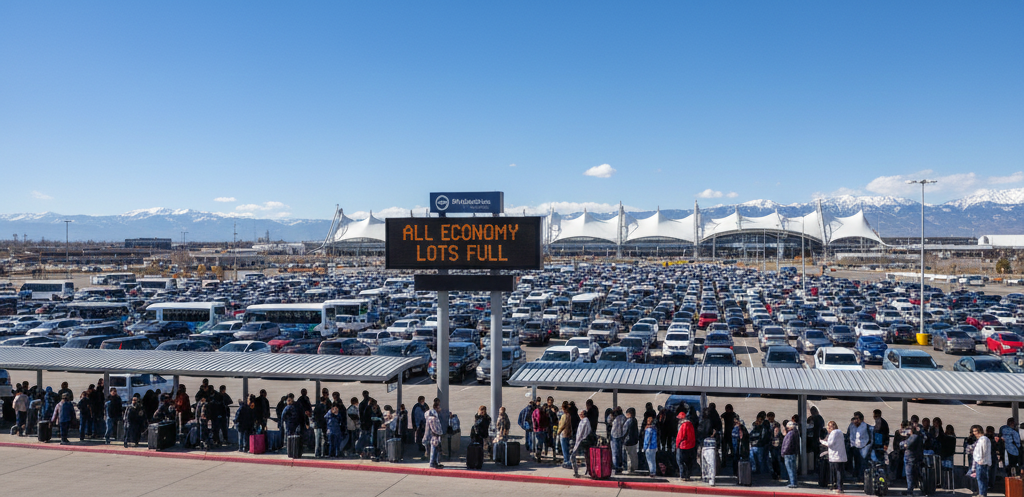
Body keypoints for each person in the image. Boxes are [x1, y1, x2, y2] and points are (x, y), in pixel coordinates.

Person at [821, 420, 848, 494]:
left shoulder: (833, 433)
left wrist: (821, 441)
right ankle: (838, 486)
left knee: (837, 472)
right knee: (840, 472)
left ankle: (839, 487)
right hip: (840, 455)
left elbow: (830, 444)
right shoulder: (840, 432)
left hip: (836, 456)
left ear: (830, 427)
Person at [847, 411, 870, 481]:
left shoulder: (865, 426)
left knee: (862, 462)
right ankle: (855, 474)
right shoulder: (851, 425)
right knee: (855, 461)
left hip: (862, 446)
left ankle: (862, 476)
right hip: (854, 446)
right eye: (854, 418)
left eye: (857, 418)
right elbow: (849, 434)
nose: (855, 420)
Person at [971, 425, 992, 497]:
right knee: (982, 479)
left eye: (976, 431)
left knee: (981, 479)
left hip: (982, 462)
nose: (974, 433)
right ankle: (982, 493)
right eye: (973, 431)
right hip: (980, 461)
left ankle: (982, 494)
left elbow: (984, 450)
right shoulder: (980, 439)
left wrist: (981, 460)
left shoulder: (983, 439)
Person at [675, 410, 697, 481]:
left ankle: (682, 475)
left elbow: (680, 436)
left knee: (680, 461)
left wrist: (677, 445)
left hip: (683, 445)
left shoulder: (683, 425)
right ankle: (688, 475)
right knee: (688, 462)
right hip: (691, 445)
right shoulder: (691, 424)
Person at [573, 411, 595, 478]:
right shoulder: (586, 421)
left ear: (582, 415)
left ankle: (576, 471)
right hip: (585, 441)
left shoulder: (584, 422)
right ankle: (588, 470)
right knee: (586, 456)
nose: (579, 415)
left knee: (574, 456)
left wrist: (577, 442)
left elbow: (580, 433)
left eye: (580, 414)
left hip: (581, 441)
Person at [425, 400, 445, 469]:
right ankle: (433, 463)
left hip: (434, 436)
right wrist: (440, 433)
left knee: (435, 450)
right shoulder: (433, 418)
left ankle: (434, 462)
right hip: (434, 436)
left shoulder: (432, 417)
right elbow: (436, 428)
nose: (440, 409)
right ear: (436, 408)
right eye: (439, 407)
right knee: (434, 450)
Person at [781, 421, 800, 488]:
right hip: (792, 453)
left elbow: (787, 444)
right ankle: (793, 481)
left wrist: (783, 452)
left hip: (789, 453)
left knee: (790, 469)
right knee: (793, 469)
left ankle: (793, 483)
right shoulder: (795, 433)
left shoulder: (790, 434)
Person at [610, 406, 627, 473]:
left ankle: (616, 466)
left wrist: (611, 414)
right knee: (620, 451)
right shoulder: (623, 417)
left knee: (614, 452)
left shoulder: (614, 418)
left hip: (614, 435)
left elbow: (608, 420)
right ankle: (620, 465)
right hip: (621, 436)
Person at [624, 407, 641, 474]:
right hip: (634, 441)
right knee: (634, 455)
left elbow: (624, 431)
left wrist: (623, 439)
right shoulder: (635, 420)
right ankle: (634, 467)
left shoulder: (628, 421)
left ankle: (630, 469)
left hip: (628, 441)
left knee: (629, 456)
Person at [557, 402, 574, 468]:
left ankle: (567, 461)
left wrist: (558, 432)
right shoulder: (570, 415)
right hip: (569, 433)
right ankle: (569, 461)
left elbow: (562, 425)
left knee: (565, 449)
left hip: (564, 434)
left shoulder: (564, 416)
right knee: (568, 448)